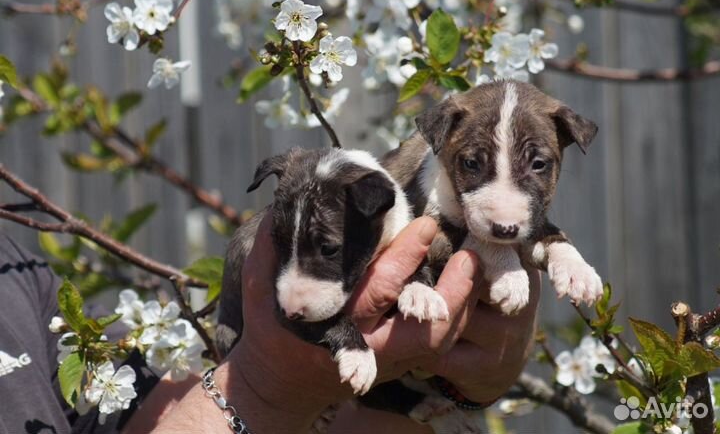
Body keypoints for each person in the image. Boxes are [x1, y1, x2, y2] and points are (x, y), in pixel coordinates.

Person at [0, 215, 540, 434]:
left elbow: (167, 416)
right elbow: (258, 398)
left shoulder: (14, 272)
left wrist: (436, 376)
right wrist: (265, 385)